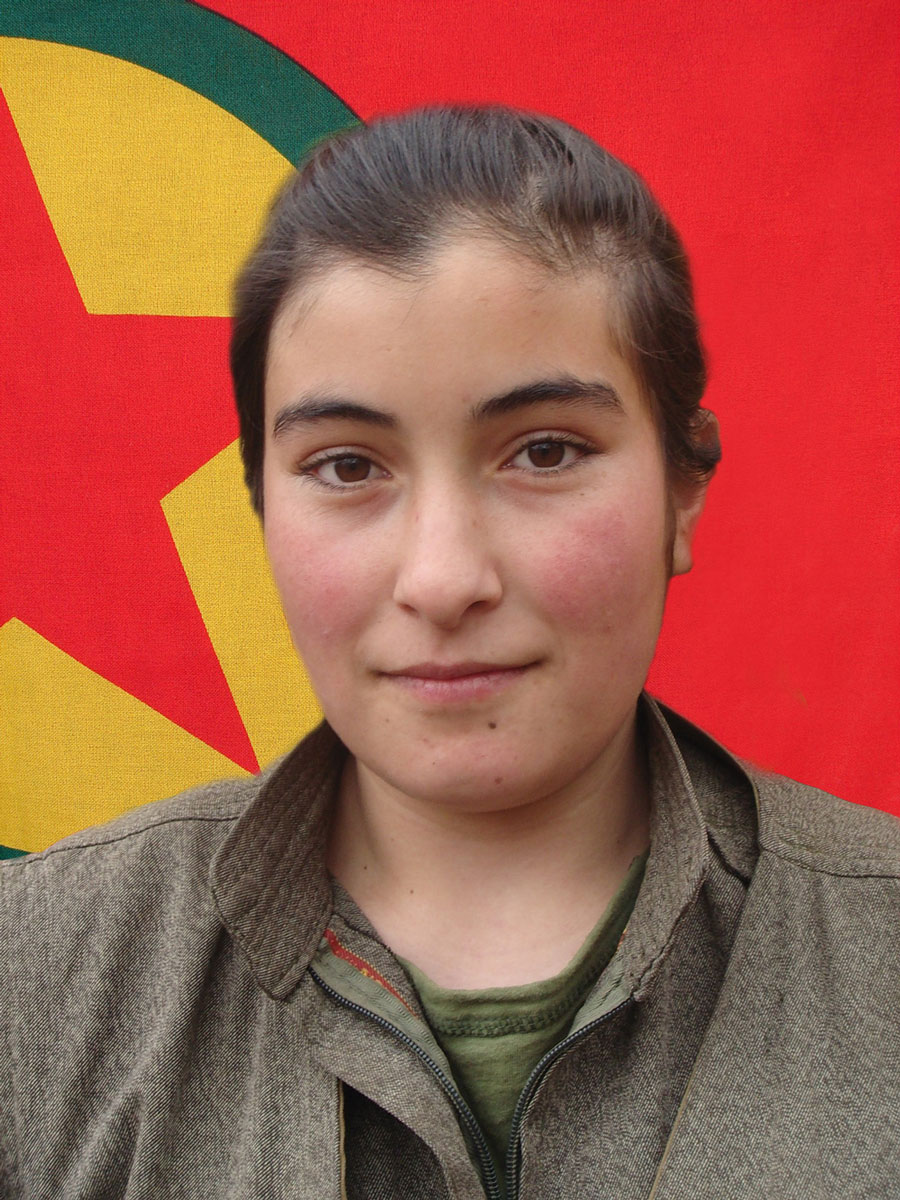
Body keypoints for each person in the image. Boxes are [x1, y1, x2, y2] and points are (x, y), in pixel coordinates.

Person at [1, 106, 898, 1200]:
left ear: (683, 489)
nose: (441, 578)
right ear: (261, 507)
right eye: (346, 467)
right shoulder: (33, 977)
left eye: (545, 451)